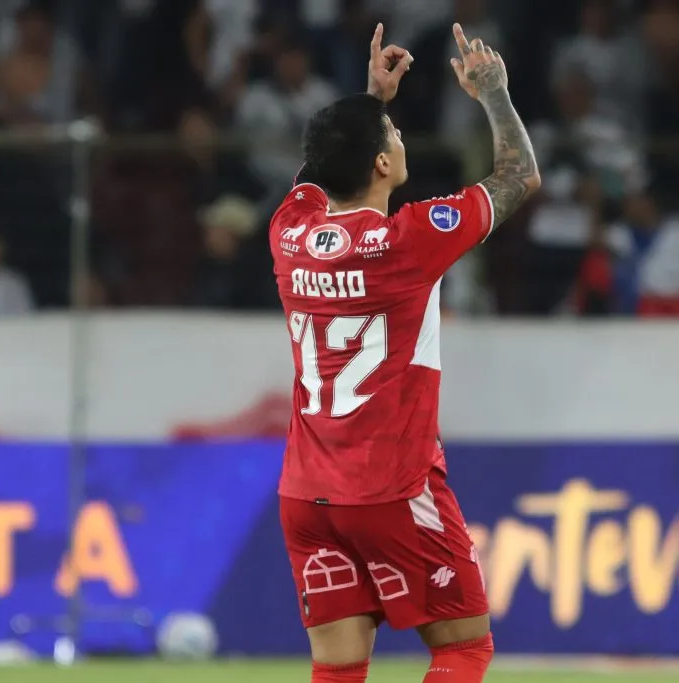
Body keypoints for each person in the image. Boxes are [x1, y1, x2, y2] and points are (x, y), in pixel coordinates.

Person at [268, 22, 539, 683]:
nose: (399, 138)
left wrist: (371, 103)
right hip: (392, 488)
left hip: (307, 497)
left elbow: (324, 164)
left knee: (339, 667)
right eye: (392, 136)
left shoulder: (289, 234)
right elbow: (519, 175)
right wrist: (495, 94)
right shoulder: (409, 241)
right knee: (463, 647)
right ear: (383, 164)